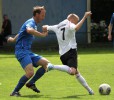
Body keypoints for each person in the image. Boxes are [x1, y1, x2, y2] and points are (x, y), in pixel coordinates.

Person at [42, 11, 94, 95]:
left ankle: (89, 90)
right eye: (76, 21)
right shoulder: (70, 24)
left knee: (75, 72)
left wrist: (45, 30)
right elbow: (76, 28)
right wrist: (84, 17)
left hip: (62, 55)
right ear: (72, 19)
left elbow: (44, 27)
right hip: (71, 51)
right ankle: (53, 66)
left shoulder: (57, 26)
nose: (76, 22)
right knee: (73, 71)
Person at [10, 6, 54, 97]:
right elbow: (28, 30)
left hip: (27, 52)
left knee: (47, 65)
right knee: (30, 72)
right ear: (37, 14)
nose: (43, 17)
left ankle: (31, 83)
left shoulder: (32, 23)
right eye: (42, 15)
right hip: (21, 51)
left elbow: (21, 32)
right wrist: (42, 35)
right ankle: (14, 92)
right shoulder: (31, 22)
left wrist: (13, 39)